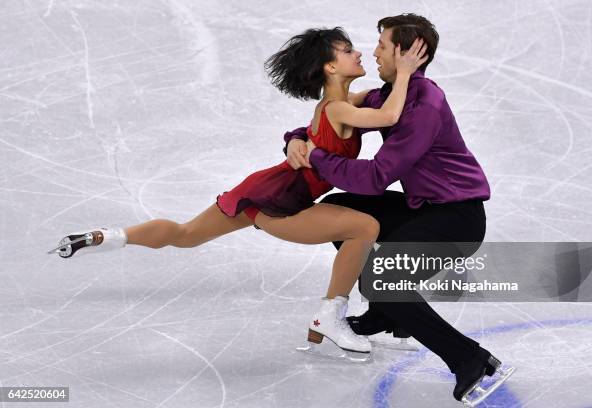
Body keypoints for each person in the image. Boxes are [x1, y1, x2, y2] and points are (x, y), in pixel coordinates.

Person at [48, 28, 428, 358]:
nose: (359, 52)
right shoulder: (340, 110)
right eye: (347, 51)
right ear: (330, 66)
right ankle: (329, 316)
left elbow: (370, 105)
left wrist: (296, 138)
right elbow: (389, 116)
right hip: (281, 203)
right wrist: (407, 72)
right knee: (363, 227)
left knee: (185, 235)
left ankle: (109, 236)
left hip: (263, 187)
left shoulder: (337, 105)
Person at [284, 14, 514, 405]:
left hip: (457, 219)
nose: (373, 52)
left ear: (406, 54)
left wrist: (319, 159)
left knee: (383, 279)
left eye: (383, 45)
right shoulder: (392, 94)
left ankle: (469, 359)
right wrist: (296, 138)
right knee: (341, 211)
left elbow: (377, 176)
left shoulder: (423, 105)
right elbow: (335, 113)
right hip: (422, 207)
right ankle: (385, 315)